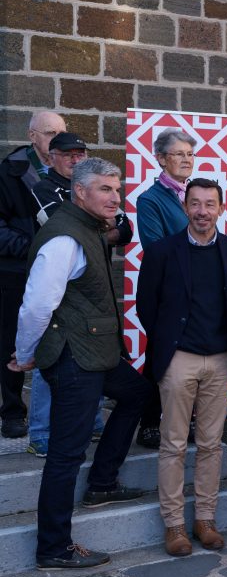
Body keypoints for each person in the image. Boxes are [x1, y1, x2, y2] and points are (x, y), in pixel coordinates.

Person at [11, 157, 151, 569]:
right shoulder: (63, 239)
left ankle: (103, 481)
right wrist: (24, 354)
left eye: (117, 188)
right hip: (74, 358)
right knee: (65, 454)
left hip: (95, 353)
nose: (115, 197)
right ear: (80, 192)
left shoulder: (90, 229)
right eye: (105, 190)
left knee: (137, 394)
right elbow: (36, 306)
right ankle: (53, 547)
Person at [137, 178, 227, 556]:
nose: (202, 211)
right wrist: (171, 344)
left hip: (219, 360)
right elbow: (146, 306)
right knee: (173, 444)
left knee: (212, 444)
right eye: (195, 204)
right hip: (178, 358)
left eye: (209, 204)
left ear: (220, 208)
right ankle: (174, 526)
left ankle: (205, 519)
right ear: (185, 208)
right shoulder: (162, 251)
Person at [26, 133, 127, 456]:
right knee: (51, 355)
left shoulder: (97, 190)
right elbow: (62, 222)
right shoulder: (44, 189)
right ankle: (40, 431)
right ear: (51, 156)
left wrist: (101, 229)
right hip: (62, 294)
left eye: (80, 153)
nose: (75, 158)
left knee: (94, 362)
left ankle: (94, 420)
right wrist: (100, 230)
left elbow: (123, 229)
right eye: (68, 154)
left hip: (92, 289)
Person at [0, 111, 65, 439]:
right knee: (12, 340)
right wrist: (32, 246)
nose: (56, 139)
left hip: (61, 272)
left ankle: (59, 413)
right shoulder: (11, 171)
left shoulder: (71, 170)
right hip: (18, 270)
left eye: (61, 132)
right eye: (49, 132)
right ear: (32, 136)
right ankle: (12, 411)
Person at [133, 127, 197, 450]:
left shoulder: (195, 195)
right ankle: (148, 422)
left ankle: (187, 421)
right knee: (161, 355)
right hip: (166, 292)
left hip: (198, 291)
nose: (186, 160)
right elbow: (156, 248)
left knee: (195, 357)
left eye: (190, 154)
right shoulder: (150, 200)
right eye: (179, 154)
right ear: (160, 159)